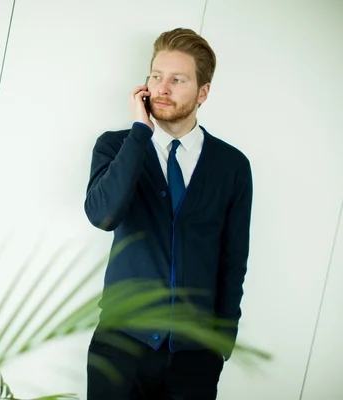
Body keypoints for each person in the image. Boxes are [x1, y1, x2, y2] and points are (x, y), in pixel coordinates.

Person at [84, 27, 253, 399]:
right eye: (156, 76)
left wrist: (219, 346)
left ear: (203, 92)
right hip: (119, 348)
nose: (162, 87)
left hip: (194, 359)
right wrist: (139, 134)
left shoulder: (232, 166)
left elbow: (233, 259)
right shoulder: (116, 147)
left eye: (177, 79)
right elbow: (103, 215)